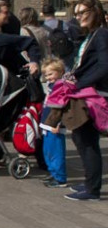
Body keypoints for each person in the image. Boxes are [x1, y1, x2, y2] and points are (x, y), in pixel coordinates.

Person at [62, 0, 108, 201]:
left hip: (93, 95)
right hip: (85, 92)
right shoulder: (91, 36)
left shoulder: (101, 35)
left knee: (87, 140)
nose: (78, 16)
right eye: (76, 13)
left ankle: (92, 190)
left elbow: (104, 66)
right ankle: (90, 182)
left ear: (95, 11)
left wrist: (80, 84)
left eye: (82, 12)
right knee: (80, 138)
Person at [39, 58, 69, 189]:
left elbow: (63, 107)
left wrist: (59, 124)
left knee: (56, 152)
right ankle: (53, 173)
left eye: (50, 74)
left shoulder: (62, 87)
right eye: (46, 75)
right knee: (48, 151)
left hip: (54, 124)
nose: (48, 77)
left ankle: (60, 178)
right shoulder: (53, 86)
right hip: (47, 123)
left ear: (60, 72)